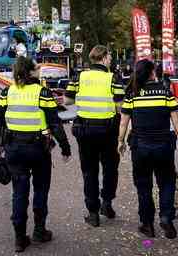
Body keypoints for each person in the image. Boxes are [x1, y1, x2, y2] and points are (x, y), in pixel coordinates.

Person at [0, 56, 71, 252]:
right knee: (40, 190)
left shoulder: (7, 91)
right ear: (30, 71)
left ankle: (20, 238)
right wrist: (65, 147)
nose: (39, 71)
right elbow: (54, 122)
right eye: (37, 68)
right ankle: (39, 231)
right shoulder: (42, 92)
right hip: (38, 150)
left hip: (14, 148)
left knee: (19, 193)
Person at [118, 59, 178, 239]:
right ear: (152, 73)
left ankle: (147, 224)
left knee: (143, 185)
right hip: (163, 146)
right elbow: (177, 121)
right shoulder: (165, 92)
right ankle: (166, 218)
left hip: (140, 147)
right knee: (166, 182)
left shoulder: (132, 94)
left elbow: (123, 122)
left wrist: (121, 142)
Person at [64, 45, 124, 227]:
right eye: (110, 56)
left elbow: (67, 100)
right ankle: (107, 203)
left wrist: (83, 99)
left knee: (89, 171)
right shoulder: (113, 77)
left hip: (85, 130)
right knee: (110, 168)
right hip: (108, 131)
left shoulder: (79, 76)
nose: (111, 59)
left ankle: (93, 213)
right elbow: (120, 106)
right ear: (104, 58)